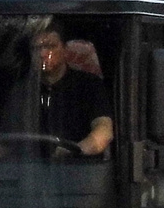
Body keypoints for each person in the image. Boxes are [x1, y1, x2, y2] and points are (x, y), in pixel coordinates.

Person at [30, 28, 113, 156]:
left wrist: (74, 150)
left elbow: (104, 131)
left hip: (78, 170)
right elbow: (3, 144)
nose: (43, 53)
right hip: (27, 169)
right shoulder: (23, 89)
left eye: (50, 46)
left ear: (64, 50)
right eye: (37, 48)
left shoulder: (89, 85)